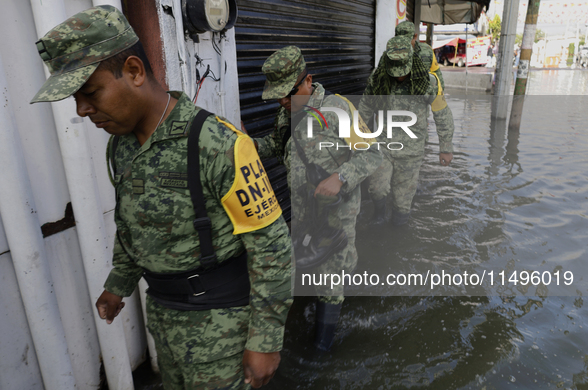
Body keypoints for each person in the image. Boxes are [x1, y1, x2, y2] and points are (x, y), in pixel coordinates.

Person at [30, 6, 292, 389]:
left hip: (223, 330)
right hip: (165, 319)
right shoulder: (120, 147)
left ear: (134, 71)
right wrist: (119, 282)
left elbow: (272, 248)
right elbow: (132, 222)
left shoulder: (217, 144)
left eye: (89, 92)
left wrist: (266, 340)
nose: (82, 110)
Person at [255, 46, 382, 350]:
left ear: (307, 80)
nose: (284, 102)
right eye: (279, 97)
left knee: (331, 279)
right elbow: (275, 146)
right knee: (309, 268)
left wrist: (340, 178)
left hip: (336, 215)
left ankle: (323, 348)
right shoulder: (287, 115)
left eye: (289, 94)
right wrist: (243, 144)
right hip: (302, 214)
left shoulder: (337, 109)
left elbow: (374, 153)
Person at [358, 35, 454, 227]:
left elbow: (442, 113)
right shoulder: (378, 79)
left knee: (402, 203)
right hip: (383, 146)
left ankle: (398, 233)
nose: (399, 76)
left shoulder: (428, 82)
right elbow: (365, 109)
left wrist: (445, 147)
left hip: (411, 151)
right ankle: (378, 214)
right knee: (376, 188)